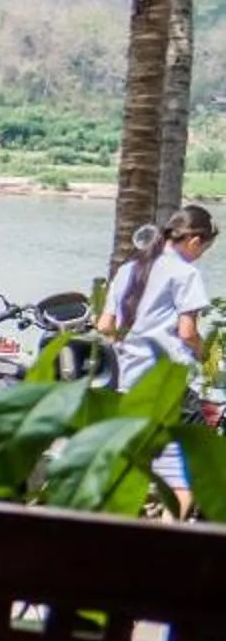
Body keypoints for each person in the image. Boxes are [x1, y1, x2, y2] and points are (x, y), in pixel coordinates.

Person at [99, 203, 215, 503]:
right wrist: (203, 353)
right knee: (195, 469)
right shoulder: (185, 273)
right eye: (202, 249)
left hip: (126, 382)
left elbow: (105, 326)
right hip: (168, 384)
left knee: (137, 464)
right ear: (194, 241)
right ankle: (171, 540)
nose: (200, 256)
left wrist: (131, 346)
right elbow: (187, 332)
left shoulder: (128, 269)